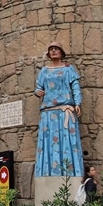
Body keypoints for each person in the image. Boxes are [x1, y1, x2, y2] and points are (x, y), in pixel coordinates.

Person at [34, 41, 84, 177]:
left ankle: (71, 176)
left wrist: (78, 103)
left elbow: (75, 87)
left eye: (56, 49)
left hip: (65, 111)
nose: (54, 51)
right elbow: (38, 87)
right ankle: (47, 176)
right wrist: (38, 91)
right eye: (51, 49)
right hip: (48, 113)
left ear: (61, 52)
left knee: (68, 143)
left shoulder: (69, 69)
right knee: (48, 145)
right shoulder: (44, 71)